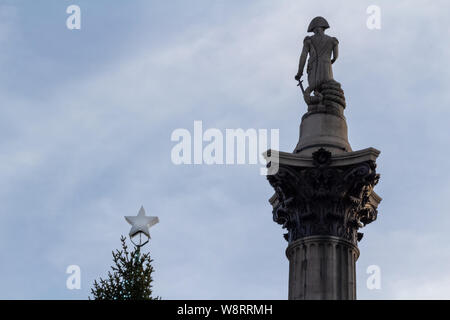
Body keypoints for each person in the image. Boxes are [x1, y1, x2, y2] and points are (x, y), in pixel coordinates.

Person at [295, 17, 339, 93]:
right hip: (327, 70)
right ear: (323, 28)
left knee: (317, 93)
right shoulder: (332, 40)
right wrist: (331, 61)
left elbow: (303, 57)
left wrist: (299, 73)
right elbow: (335, 56)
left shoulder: (309, 40)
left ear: (313, 29)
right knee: (328, 92)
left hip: (314, 71)